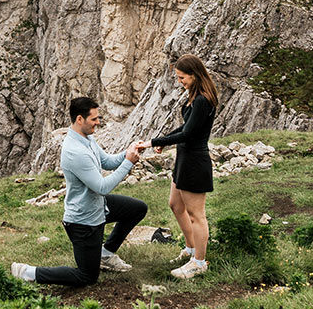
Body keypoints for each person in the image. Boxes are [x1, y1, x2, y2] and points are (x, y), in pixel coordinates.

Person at [11, 95, 147, 287]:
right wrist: (128, 163)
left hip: (99, 208)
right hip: (84, 222)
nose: (98, 123)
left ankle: (105, 253)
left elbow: (107, 161)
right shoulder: (75, 152)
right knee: (87, 277)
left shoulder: (87, 138)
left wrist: (128, 152)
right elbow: (102, 187)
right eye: (94, 119)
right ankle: (28, 272)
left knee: (137, 208)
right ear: (80, 119)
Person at [150, 55, 217, 279]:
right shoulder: (194, 96)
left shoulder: (202, 100)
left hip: (195, 161)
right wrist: (164, 138)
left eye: (182, 77)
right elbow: (185, 126)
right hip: (184, 158)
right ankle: (190, 248)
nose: (180, 81)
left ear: (194, 75)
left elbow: (188, 134)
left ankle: (199, 262)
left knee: (196, 214)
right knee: (175, 205)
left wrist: (156, 142)